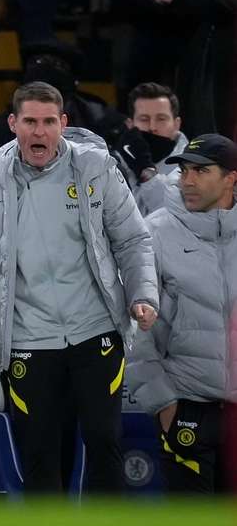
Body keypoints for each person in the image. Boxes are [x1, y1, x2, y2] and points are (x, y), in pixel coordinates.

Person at [0, 81, 159, 493]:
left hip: (96, 332)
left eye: (47, 122)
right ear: (12, 124)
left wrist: (142, 295)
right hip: (29, 339)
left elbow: (133, 239)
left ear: (62, 124)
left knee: (105, 445)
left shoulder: (98, 171)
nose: (38, 132)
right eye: (29, 122)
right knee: (39, 455)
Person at [127, 133, 237, 494]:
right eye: (184, 170)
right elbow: (135, 330)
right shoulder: (154, 232)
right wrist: (164, 404)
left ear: (230, 177)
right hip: (188, 408)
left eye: (201, 171)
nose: (187, 180)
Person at [111, 0, 237, 138]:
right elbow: (155, 21)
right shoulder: (201, 20)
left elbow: (224, 5)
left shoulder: (213, 7)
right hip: (201, 145)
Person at [114, 82, 188, 216]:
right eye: (144, 119)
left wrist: (146, 173)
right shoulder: (111, 165)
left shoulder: (194, 167)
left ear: (177, 124)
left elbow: (180, 217)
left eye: (161, 119)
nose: (152, 127)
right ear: (130, 125)